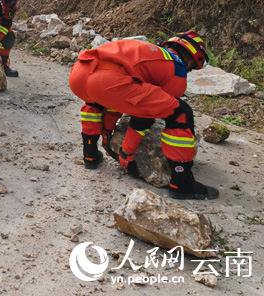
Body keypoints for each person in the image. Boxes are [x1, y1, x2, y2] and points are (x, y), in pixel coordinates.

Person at [69, 31, 219, 200]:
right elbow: (148, 111)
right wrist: (127, 152)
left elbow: (115, 100)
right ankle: (182, 182)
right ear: (194, 57)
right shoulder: (176, 66)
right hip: (108, 81)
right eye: (192, 67)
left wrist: (106, 135)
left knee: (96, 102)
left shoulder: (147, 49)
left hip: (79, 73)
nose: (190, 70)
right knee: (180, 113)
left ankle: (90, 154)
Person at [0, 0, 21, 77]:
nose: (9, 3)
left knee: (8, 37)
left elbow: (6, 24)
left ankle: (4, 64)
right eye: (7, 1)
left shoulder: (12, 4)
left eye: (12, 1)